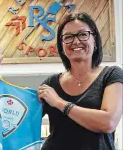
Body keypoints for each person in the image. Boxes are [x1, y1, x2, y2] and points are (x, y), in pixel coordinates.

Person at [38, 11, 123, 150]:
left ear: (94, 39)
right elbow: (20, 120)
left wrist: (59, 103)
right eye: (68, 37)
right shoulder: (50, 83)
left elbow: (108, 122)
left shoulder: (111, 75)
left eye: (83, 34)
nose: (76, 41)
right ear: (62, 44)